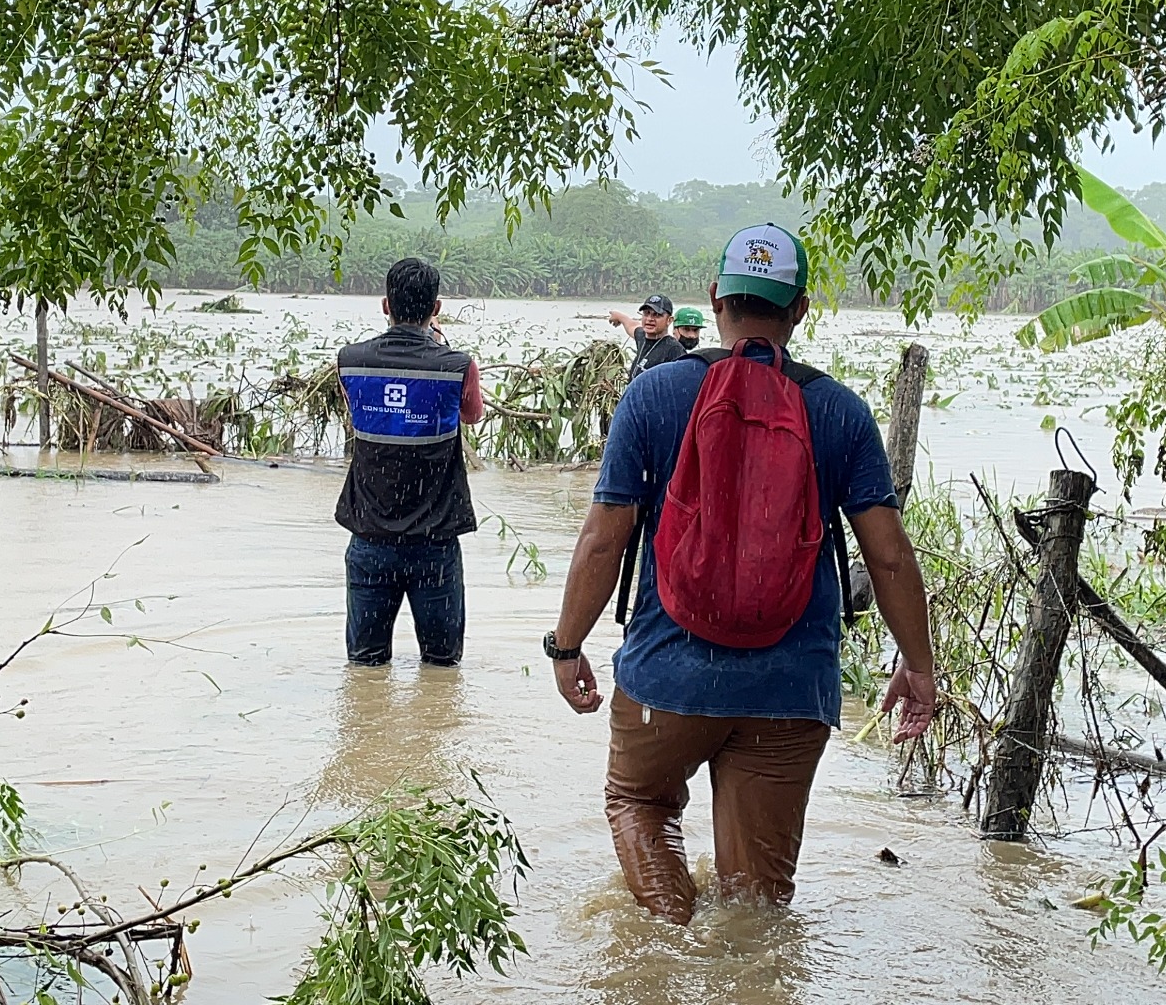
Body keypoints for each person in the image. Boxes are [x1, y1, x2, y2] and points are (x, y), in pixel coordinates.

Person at [543, 223, 936, 922]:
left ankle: (666, 935)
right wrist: (919, 665)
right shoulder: (840, 412)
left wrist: (566, 645)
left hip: (667, 678)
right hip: (789, 693)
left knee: (639, 802)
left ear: (716, 297)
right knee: (756, 906)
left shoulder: (654, 396)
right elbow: (890, 554)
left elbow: (605, 539)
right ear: (801, 310)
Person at [335, 258, 485, 667]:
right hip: (433, 544)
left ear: (386, 305)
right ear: (436, 308)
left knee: (364, 668)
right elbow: (472, 415)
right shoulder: (457, 366)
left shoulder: (351, 360)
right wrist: (440, 348)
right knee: (442, 668)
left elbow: (359, 413)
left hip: (370, 539)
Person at [606, 292, 686, 379]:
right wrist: (617, 316)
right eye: (646, 313)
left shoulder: (674, 349)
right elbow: (631, 325)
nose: (649, 319)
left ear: (669, 320)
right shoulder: (642, 337)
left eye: (657, 315)